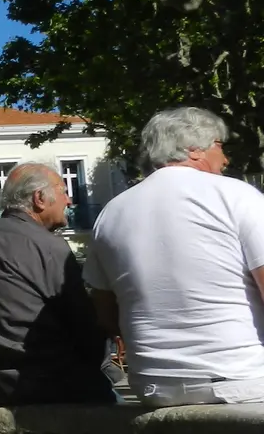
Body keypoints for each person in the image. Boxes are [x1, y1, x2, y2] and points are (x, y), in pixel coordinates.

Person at [85, 107, 264, 407]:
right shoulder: (237, 195)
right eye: (219, 145)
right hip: (242, 380)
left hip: (155, 387)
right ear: (194, 149)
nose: (225, 159)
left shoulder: (112, 212)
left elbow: (105, 313)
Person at [0, 162, 112, 406]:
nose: (68, 201)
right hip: (53, 387)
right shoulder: (49, 247)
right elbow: (85, 329)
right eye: (63, 191)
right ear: (39, 198)